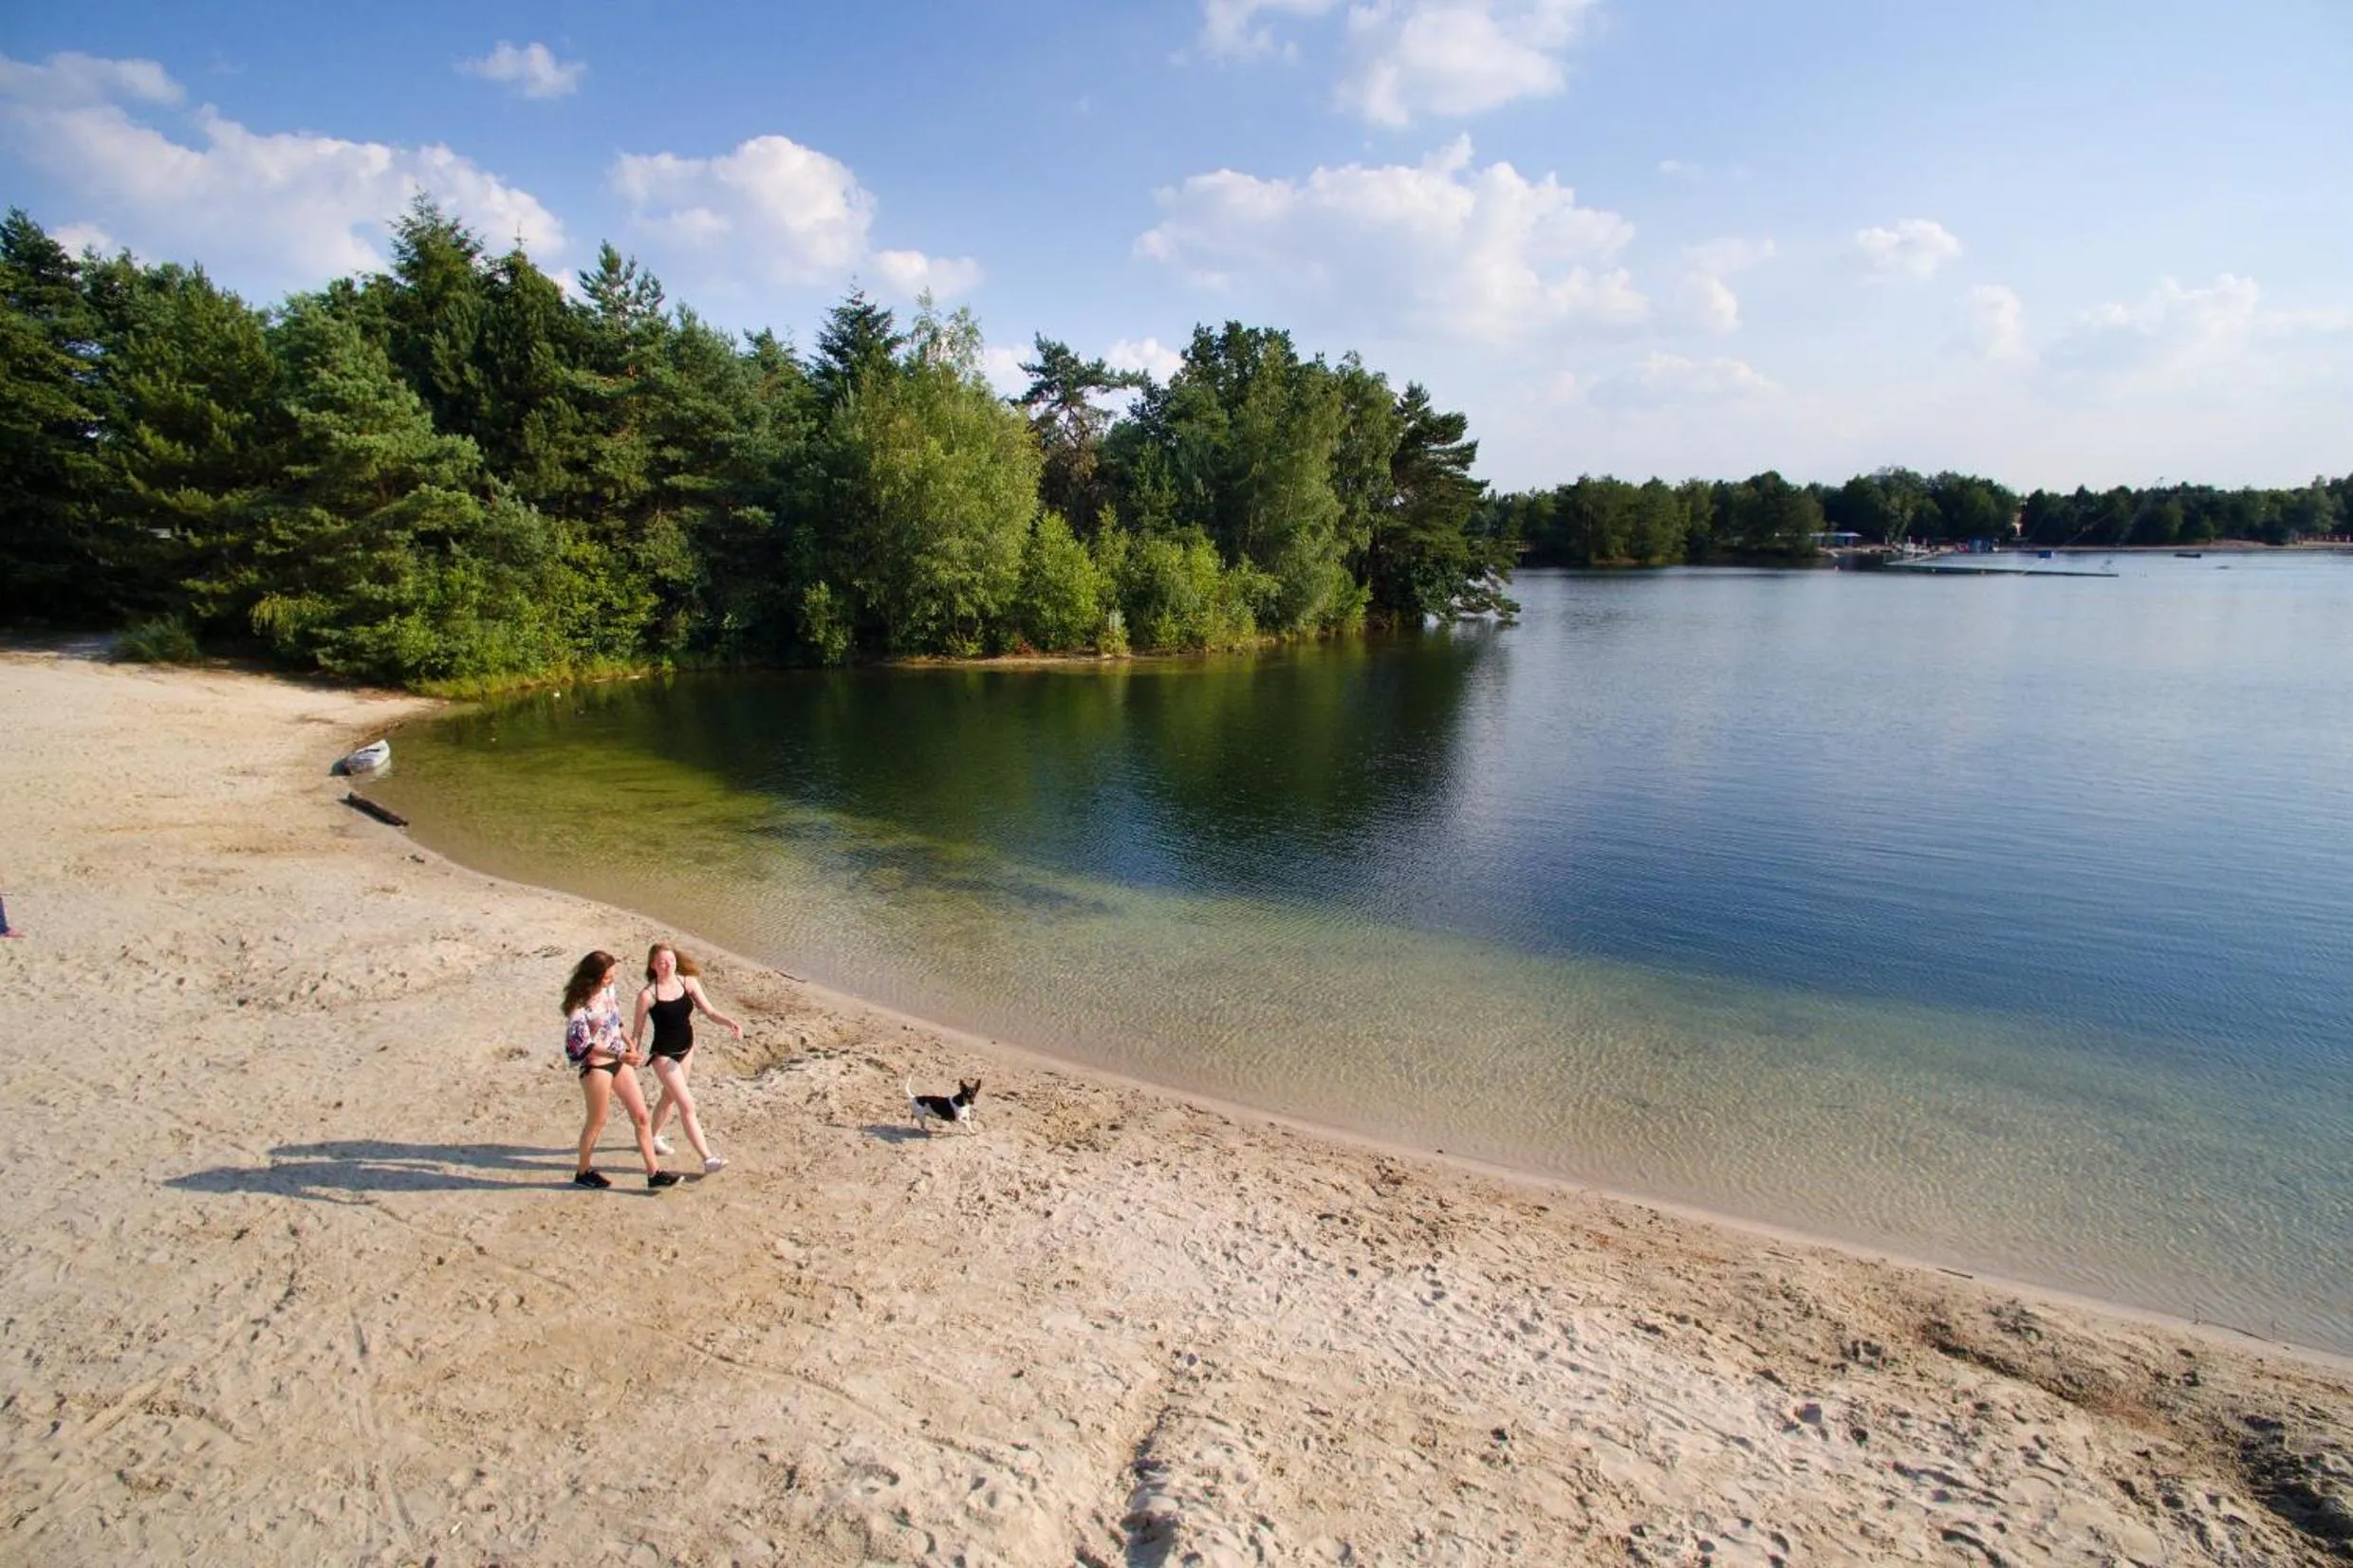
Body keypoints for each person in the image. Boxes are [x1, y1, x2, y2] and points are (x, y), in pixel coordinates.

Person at [562, 950, 677, 1191]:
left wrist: (628, 1041)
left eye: (613, 976)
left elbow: (614, 1017)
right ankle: (583, 1172)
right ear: (592, 978)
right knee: (597, 1122)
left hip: (619, 1058)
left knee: (641, 1117)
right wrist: (618, 1055)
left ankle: (653, 1173)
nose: (611, 981)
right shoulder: (578, 1005)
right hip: (596, 1066)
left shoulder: (608, 990)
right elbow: (582, 1045)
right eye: (607, 977)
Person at [630, 942, 743, 1175]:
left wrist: (730, 1022)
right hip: (664, 1055)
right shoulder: (648, 995)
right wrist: (634, 1052)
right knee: (687, 1105)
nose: (667, 965)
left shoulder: (687, 982)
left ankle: (652, 1137)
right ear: (653, 965)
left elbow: (709, 1011)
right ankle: (708, 1158)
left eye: (670, 960)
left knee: (669, 1097)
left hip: (687, 1048)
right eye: (662, 961)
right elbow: (637, 1031)